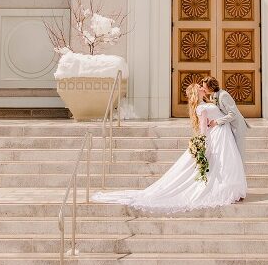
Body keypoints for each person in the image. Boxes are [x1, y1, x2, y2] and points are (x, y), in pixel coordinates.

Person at [92, 83, 247, 212]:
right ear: (196, 91)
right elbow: (202, 128)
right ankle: (225, 190)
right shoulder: (201, 108)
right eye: (200, 86)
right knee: (223, 163)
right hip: (217, 136)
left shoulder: (208, 102)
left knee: (227, 163)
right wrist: (202, 143)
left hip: (222, 135)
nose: (202, 87)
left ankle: (231, 189)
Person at [199, 76, 248, 171]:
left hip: (236, 127)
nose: (203, 89)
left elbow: (232, 114)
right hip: (227, 127)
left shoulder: (223, 95)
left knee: (238, 154)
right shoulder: (212, 95)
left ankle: (240, 176)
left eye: (205, 87)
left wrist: (216, 122)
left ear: (211, 87)